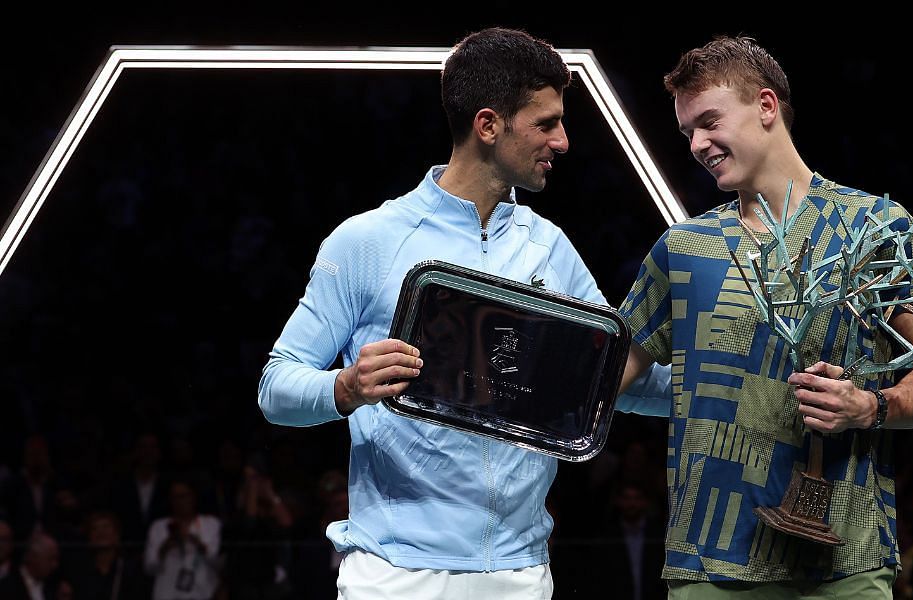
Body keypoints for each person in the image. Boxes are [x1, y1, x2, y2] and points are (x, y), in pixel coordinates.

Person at [258, 26, 666, 599]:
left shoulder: (549, 247)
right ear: (489, 125)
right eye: (546, 123)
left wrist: (733, 390)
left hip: (521, 573)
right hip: (395, 574)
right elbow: (277, 389)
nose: (564, 141)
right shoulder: (367, 241)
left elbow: (608, 382)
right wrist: (346, 387)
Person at [617, 36, 913, 597]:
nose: (698, 144)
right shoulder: (682, 250)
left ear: (767, 106)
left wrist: (868, 407)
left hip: (844, 563)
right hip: (710, 562)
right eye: (687, 133)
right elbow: (608, 377)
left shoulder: (874, 228)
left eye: (709, 121)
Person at [144, 479, 221, 600]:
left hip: (201, 594)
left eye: (184, 496)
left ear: (193, 496)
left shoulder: (210, 524)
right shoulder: (159, 526)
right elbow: (149, 567)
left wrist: (196, 542)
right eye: (175, 497)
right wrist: (166, 546)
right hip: (166, 595)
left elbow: (217, 561)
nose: (180, 501)